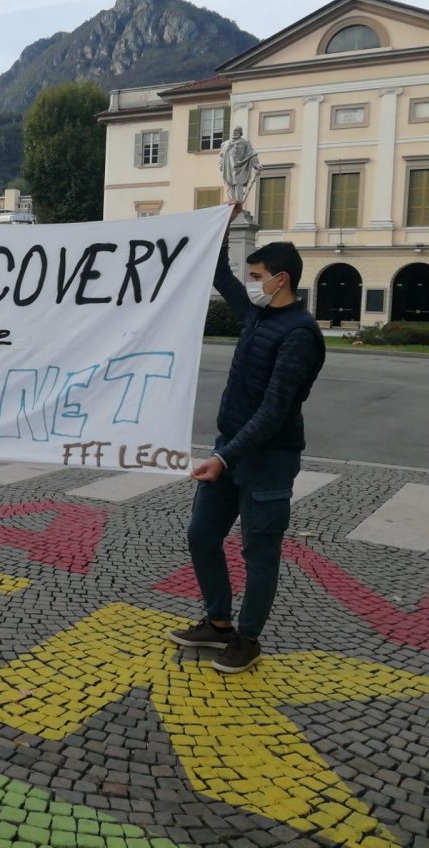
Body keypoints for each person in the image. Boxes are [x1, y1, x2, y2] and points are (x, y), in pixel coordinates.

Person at [167, 207, 325, 672]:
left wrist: (224, 457)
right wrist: (220, 222)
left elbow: (275, 411)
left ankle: (248, 638)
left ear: (280, 279)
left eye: (256, 275)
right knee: (201, 535)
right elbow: (217, 273)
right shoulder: (256, 315)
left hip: (268, 459)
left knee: (259, 552)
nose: (250, 281)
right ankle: (218, 625)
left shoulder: (300, 335)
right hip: (230, 448)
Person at [219, 126, 261, 204]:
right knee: (230, 186)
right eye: (234, 131)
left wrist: (256, 164)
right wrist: (221, 165)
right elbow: (221, 156)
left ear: (241, 133)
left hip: (240, 167)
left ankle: (238, 205)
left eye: (237, 131)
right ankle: (231, 204)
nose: (235, 133)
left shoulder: (245, 142)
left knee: (238, 185)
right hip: (228, 168)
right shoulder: (225, 144)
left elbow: (252, 154)